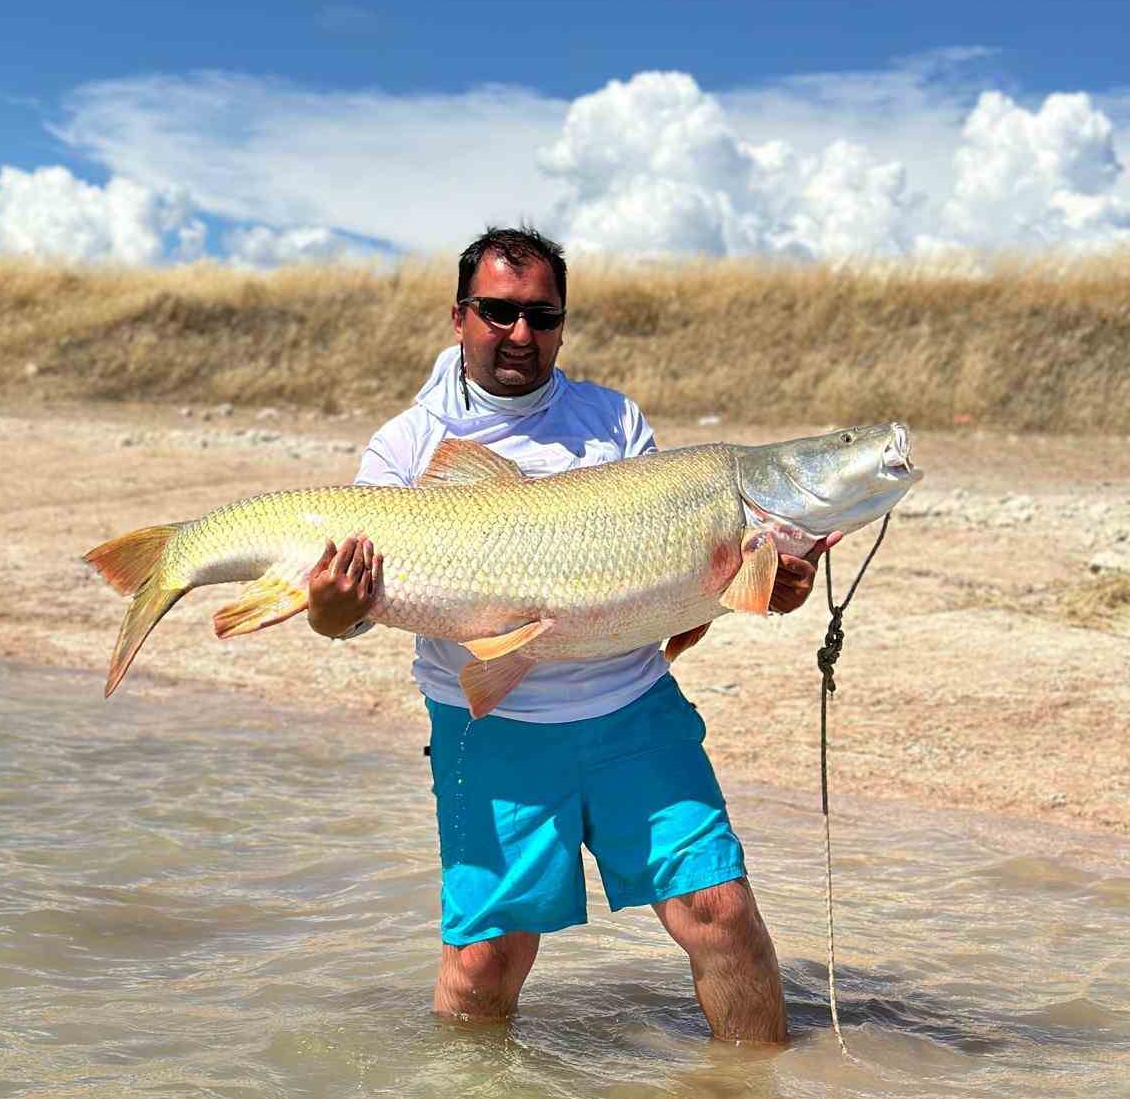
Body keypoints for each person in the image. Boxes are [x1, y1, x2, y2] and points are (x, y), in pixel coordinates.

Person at [307, 228, 834, 1044]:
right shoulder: (405, 448)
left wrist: (771, 588)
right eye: (499, 312)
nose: (521, 334)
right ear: (459, 316)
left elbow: (681, 586)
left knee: (721, 913)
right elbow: (344, 619)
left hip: (632, 712)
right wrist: (332, 607)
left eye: (542, 315)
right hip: (492, 727)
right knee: (486, 961)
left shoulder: (612, 420)